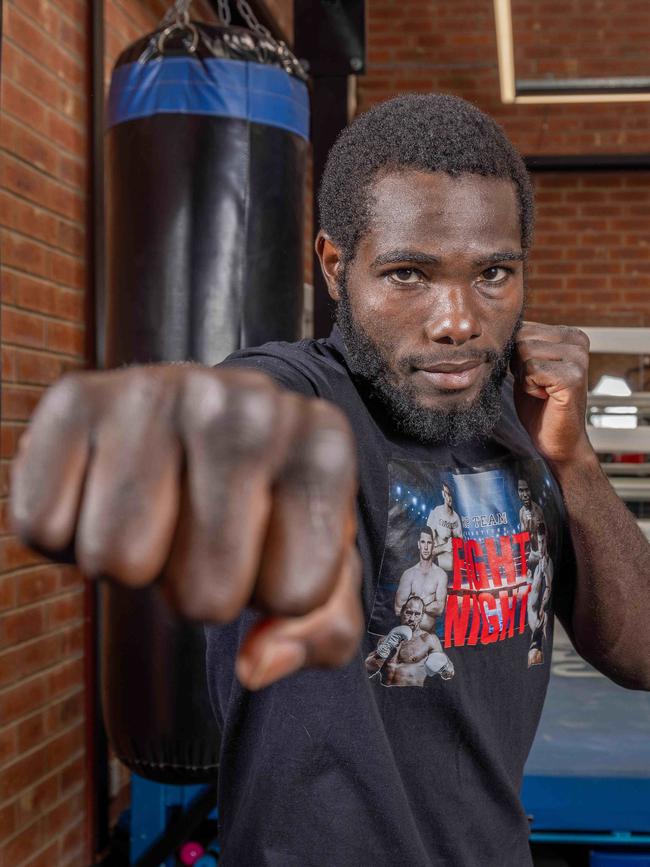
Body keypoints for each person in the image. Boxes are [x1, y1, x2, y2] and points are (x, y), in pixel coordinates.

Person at [10, 94, 650, 867]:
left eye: (492, 273)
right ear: (334, 263)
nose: (457, 319)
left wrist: (572, 460)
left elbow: (639, 653)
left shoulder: (521, 429)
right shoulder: (307, 396)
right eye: (408, 273)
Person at [366, 595, 454, 686]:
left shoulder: (428, 639)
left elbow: (448, 669)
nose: (412, 619)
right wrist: (381, 653)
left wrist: (445, 668)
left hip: (414, 695)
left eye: (417, 614)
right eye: (408, 612)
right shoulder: (385, 639)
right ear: (401, 612)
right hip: (383, 694)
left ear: (422, 616)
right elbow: (368, 670)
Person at [393, 525, 447, 632]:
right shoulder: (409, 574)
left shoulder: (440, 575)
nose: (426, 547)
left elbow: (440, 609)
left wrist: (414, 606)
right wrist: (427, 605)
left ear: (434, 545)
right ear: (418, 544)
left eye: (429, 543)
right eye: (423, 542)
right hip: (408, 635)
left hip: (429, 635)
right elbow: (398, 609)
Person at [427, 481, 462, 571]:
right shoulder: (437, 512)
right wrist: (444, 547)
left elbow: (461, 546)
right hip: (438, 568)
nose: (449, 498)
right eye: (447, 494)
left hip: (456, 571)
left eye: (451, 495)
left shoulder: (456, 517)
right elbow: (427, 550)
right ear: (443, 494)